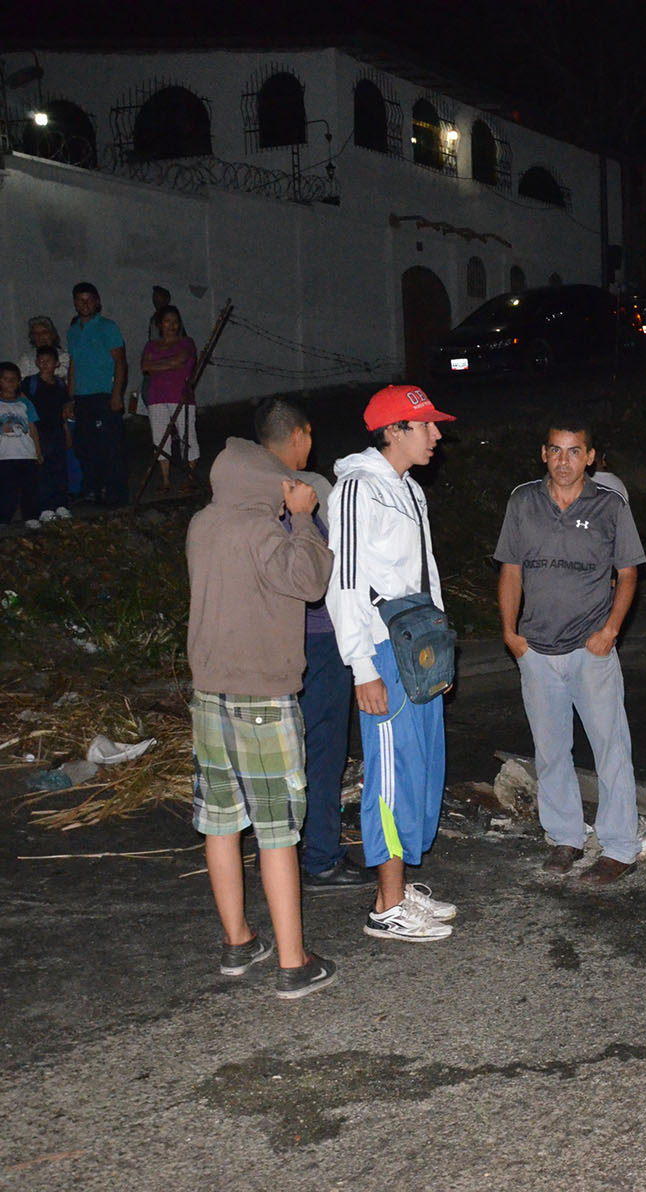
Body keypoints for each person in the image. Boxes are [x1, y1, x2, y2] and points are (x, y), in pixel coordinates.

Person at [185, 428, 337, 997]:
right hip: (261, 702)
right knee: (277, 831)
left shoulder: (203, 525)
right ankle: (294, 964)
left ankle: (239, 941)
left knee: (221, 823)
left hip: (209, 698)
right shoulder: (260, 529)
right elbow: (310, 581)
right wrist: (300, 518)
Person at [325, 384, 460, 942]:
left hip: (418, 647)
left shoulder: (408, 489)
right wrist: (362, 668)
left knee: (423, 768)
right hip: (382, 651)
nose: (437, 434)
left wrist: (443, 649)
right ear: (394, 430)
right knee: (389, 776)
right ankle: (387, 906)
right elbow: (345, 583)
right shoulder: (357, 489)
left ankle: (401, 887)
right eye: (426, 425)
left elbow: (424, 572)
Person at [495, 420, 646, 886]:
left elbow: (627, 573)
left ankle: (620, 847)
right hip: (536, 649)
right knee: (551, 750)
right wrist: (510, 633)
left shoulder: (609, 505)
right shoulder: (523, 501)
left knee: (610, 747)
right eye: (556, 451)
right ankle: (565, 836)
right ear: (544, 454)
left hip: (591, 648)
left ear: (590, 457)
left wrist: (611, 630)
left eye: (574, 451)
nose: (564, 460)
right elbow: (511, 571)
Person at [247, 398, 373, 893]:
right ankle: (320, 856)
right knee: (322, 749)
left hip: (263, 642)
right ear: (302, 435)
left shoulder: (242, 492)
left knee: (275, 752)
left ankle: (273, 852)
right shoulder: (313, 489)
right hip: (319, 638)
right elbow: (333, 570)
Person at [66, 282, 128, 507]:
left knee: (110, 447)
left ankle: (115, 495)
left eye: (89, 299)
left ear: (97, 301)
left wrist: (116, 394)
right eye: (80, 300)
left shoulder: (107, 327)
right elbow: (73, 366)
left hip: (104, 394)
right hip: (83, 397)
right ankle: (91, 489)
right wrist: (71, 398)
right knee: (84, 446)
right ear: (74, 303)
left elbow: (120, 362)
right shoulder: (73, 331)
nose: (84, 304)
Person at [139, 305, 198, 493]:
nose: (171, 326)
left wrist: (158, 365)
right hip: (157, 396)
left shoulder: (186, 342)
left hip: (180, 395)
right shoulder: (152, 345)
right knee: (160, 438)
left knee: (186, 437)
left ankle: (190, 477)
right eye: (167, 321)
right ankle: (165, 480)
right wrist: (169, 364)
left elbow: (180, 360)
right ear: (160, 324)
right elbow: (145, 366)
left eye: (175, 322)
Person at [24, 347, 71, 519]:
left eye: (48, 361)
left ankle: (61, 504)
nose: (44, 364)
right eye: (41, 361)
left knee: (59, 469)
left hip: (57, 431)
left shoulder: (59, 384)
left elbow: (63, 411)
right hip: (40, 433)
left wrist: (66, 432)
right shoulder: (30, 383)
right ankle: (45, 507)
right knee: (42, 470)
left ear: (56, 364)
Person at [0, 363, 42, 526]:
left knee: (29, 488)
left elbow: (33, 429)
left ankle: (31, 516)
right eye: (5, 379)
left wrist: (38, 452)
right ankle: (4, 517)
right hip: (4, 456)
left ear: (18, 382)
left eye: (13, 380)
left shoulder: (25, 403)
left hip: (26, 454)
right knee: (6, 489)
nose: (10, 383)